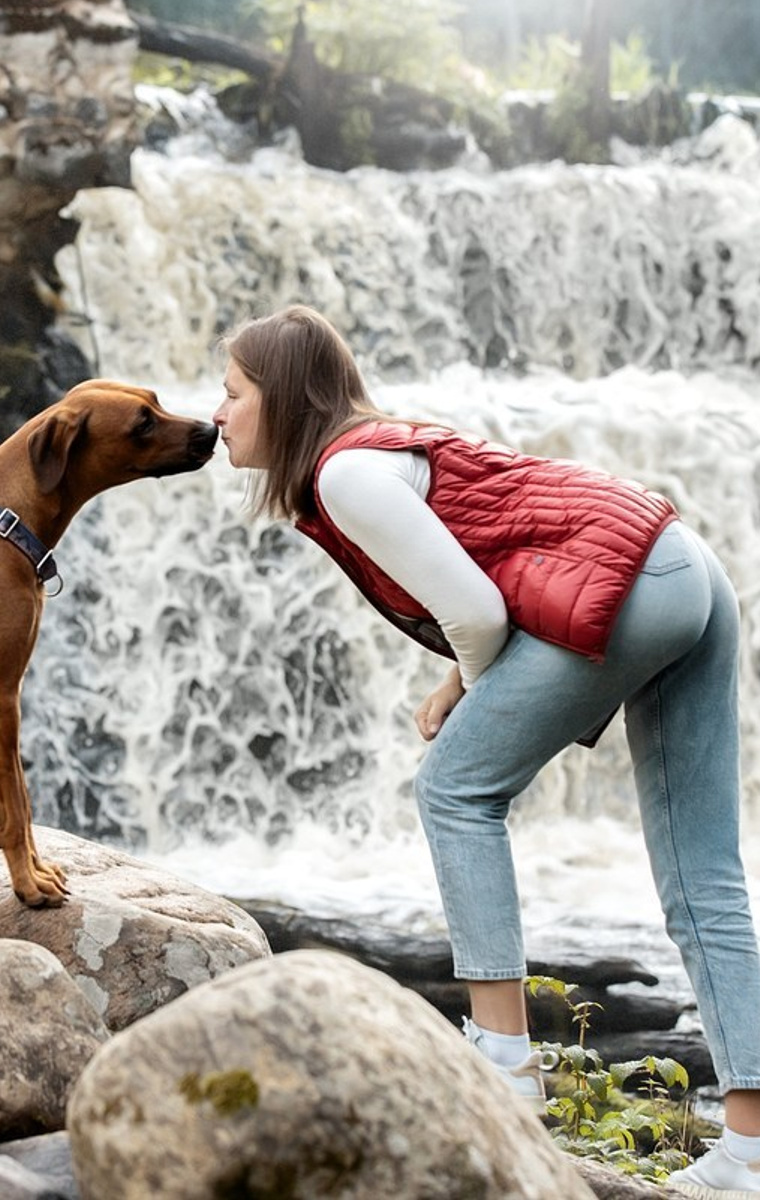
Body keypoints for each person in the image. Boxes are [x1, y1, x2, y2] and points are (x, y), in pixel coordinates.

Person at [211, 304, 760, 1196]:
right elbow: (487, 601)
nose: (218, 414)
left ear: (281, 397)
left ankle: (503, 1063)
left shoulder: (348, 475)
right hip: (682, 564)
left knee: (456, 790)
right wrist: (460, 684)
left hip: (632, 583)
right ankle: (750, 1153)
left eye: (231, 394)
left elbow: (477, 614)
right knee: (706, 877)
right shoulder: (382, 448)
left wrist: (462, 684)